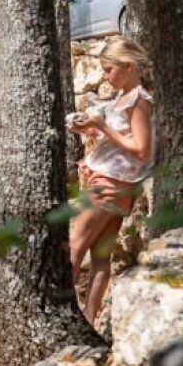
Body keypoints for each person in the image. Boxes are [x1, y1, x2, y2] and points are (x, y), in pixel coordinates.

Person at [67, 37, 155, 327]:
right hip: (113, 181)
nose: (105, 76)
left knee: (74, 247)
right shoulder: (123, 98)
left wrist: (102, 125)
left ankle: (65, 318)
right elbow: (122, 141)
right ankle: (89, 322)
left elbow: (141, 149)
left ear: (128, 67)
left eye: (108, 70)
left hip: (110, 182)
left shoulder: (139, 100)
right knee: (99, 256)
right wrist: (93, 131)